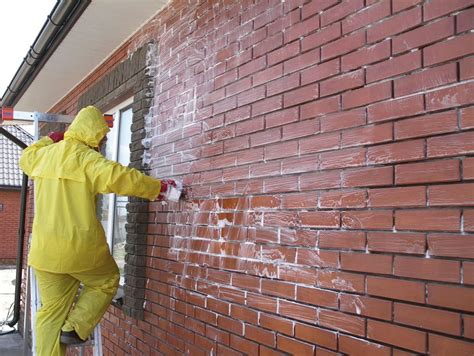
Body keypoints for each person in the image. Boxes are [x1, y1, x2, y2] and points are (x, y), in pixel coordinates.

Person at [19, 106, 176, 356]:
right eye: (102, 136)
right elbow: (123, 178)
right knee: (107, 280)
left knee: (50, 313)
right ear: (91, 133)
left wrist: (51, 138)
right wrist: (159, 188)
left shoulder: (44, 156)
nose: (103, 142)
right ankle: (76, 327)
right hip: (79, 251)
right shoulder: (87, 160)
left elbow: (26, 157)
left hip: (44, 254)